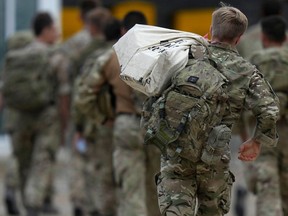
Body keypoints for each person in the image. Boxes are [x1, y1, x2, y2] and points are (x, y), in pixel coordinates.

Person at [154, 4, 279, 216]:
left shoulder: (185, 57)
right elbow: (269, 110)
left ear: (211, 31)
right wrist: (256, 141)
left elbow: (150, 85)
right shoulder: (246, 71)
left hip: (176, 153)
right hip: (213, 158)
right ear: (239, 38)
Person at [2, 12, 70, 216]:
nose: (57, 33)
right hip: (46, 116)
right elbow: (63, 94)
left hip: (22, 115)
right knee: (42, 161)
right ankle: (33, 203)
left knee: (23, 162)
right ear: (46, 30)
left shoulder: (17, 56)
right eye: (54, 29)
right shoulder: (56, 57)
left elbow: (4, 89)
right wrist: (64, 122)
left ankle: (23, 198)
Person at [70, 8, 118, 216]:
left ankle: (93, 207)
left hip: (98, 122)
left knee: (97, 168)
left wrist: (80, 125)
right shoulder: (126, 53)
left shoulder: (86, 53)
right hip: (128, 121)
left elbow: (81, 93)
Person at [244, 15, 288, 216]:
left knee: (267, 187)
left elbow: (241, 100)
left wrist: (243, 134)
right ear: (285, 38)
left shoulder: (255, 63)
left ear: (263, 37)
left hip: (262, 134)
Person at [1, 30, 34, 215]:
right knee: (23, 158)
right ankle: (21, 194)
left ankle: (11, 190)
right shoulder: (30, 65)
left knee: (16, 154)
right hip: (25, 117)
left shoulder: (9, 65)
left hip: (12, 116)